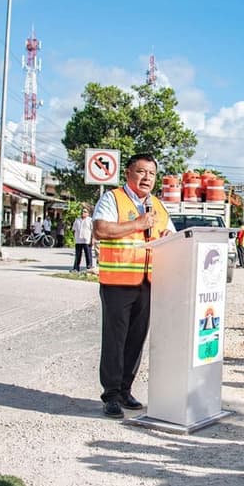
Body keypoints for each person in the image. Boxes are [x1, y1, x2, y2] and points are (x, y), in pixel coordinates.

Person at [92, 153, 173, 418]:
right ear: (128, 173)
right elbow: (101, 230)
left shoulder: (158, 206)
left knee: (136, 341)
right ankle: (111, 395)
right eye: (141, 172)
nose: (146, 178)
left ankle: (126, 389)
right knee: (115, 340)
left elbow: (170, 235)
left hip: (148, 282)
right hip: (118, 282)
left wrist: (170, 237)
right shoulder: (112, 199)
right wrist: (137, 224)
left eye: (151, 173)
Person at [72, 206, 93, 272]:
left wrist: (92, 240)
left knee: (88, 254)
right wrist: (75, 237)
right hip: (78, 240)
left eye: (85, 212)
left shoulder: (90, 220)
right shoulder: (77, 220)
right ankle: (76, 268)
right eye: (82, 211)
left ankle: (89, 267)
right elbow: (74, 230)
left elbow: (93, 231)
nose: (83, 213)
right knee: (78, 255)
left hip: (87, 240)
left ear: (88, 213)